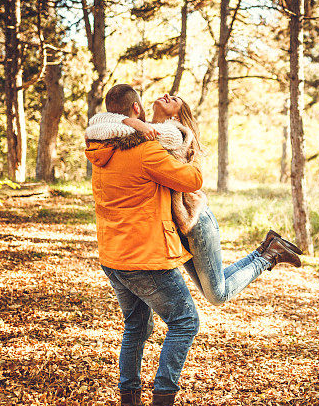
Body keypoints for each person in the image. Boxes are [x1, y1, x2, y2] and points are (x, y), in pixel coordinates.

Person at [85, 92, 303, 308]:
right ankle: (267, 248)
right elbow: (108, 122)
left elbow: (193, 179)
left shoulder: (174, 134)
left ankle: (269, 255)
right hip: (176, 226)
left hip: (196, 220)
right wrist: (133, 121)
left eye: (176, 100)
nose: (168, 95)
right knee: (215, 286)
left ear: (177, 117)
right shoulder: (146, 129)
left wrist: (187, 145)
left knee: (218, 295)